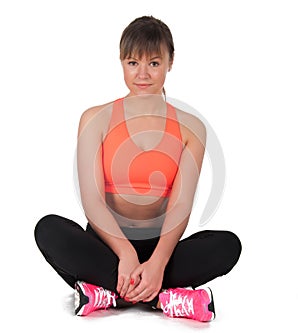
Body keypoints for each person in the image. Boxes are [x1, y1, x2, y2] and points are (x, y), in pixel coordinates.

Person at [34, 15, 241, 323]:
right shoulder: (95, 118)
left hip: (162, 249)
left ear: (170, 62)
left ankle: (105, 292)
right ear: (121, 63)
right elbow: (92, 201)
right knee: (49, 229)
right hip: (106, 246)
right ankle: (163, 297)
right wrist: (126, 255)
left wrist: (157, 262)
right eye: (133, 63)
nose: (142, 74)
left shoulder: (191, 127)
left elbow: (181, 204)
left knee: (227, 245)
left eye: (154, 64)